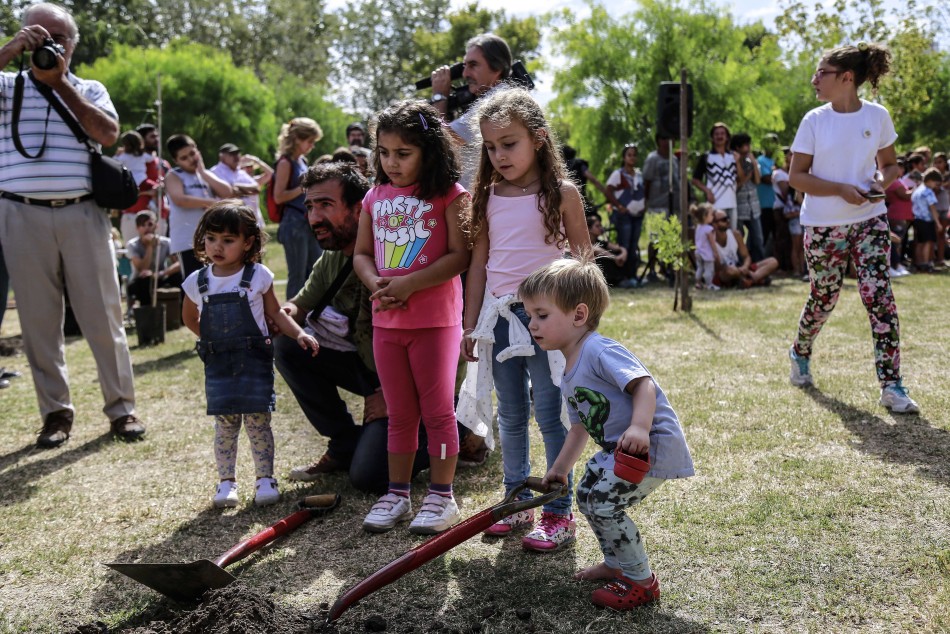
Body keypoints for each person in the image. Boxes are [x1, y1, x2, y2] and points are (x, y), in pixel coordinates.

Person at [0, 2, 146, 446]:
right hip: (20, 213)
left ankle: (122, 411)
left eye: (58, 38)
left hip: (83, 211)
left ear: (73, 45)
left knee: (104, 316)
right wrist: (10, 51)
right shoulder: (7, 85)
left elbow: (107, 134)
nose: (49, 44)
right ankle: (56, 415)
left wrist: (59, 81)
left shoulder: (89, 86)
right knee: (39, 321)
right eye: (39, 35)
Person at [457, 88, 591, 551]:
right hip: (497, 321)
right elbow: (478, 265)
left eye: (508, 143)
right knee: (510, 415)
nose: (499, 155)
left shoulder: (563, 195)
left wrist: (579, 326)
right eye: (490, 147)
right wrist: (470, 324)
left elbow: (584, 263)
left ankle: (558, 510)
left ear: (537, 139)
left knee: (550, 415)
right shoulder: (485, 197)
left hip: (548, 324)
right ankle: (516, 502)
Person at [519, 257, 693, 610]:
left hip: (647, 446)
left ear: (578, 315)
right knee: (586, 494)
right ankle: (616, 563)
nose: (531, 324)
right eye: (529, 315)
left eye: (541, 314)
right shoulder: (568, 372)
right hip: (617, 449)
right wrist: (561, 468)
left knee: (604, 503)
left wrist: (640, 427)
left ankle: (641, 581)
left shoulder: (599, 350)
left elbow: (643, 385)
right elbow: (580, 427)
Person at [273, 162, 431, 493]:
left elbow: (439, 340)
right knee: (288, 345)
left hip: (424, 381)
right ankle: (345, 444)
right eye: (310, 206)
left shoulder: (398, 248)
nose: (314, 218)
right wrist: (279, 313)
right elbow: (300, 307)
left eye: (326, 205)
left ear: (359, 208)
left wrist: (393, 395)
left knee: (369, 476)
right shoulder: (334, 255)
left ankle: (460, 431)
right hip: (370, 367)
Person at [353, 101, 470, 534]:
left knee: (438, 411)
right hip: (387, 322)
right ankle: (397, 493)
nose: (391, 162)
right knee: (400, 413)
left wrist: (411, 284)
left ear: (428, 150)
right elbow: (363, 254)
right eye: (384, 152)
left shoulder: (450, 195)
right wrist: (377, 284)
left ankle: (442, 496)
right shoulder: (373, 197)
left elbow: (460, 256)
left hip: (436, 322)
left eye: (403, 153)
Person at [787, 41, 919, 414]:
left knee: (880, 299)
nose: (815, 79)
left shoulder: (877, 117)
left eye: (821, 73)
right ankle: (800, 351)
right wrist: (840, 190)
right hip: (823, 225)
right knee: (824, 298)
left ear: (846, 78)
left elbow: (891, 165)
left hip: (869, 221)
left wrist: (880, 180)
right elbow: (798, 177)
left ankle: (892, 386)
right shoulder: (814, 120)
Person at [182, 201, 319, 508]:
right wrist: (211, 341)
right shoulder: (197, 282)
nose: (218, 246)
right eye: (212, 238)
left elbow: (276, 313)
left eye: (228, 240)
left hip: (254, 361)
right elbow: (189, 318)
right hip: (219, 364)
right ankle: (226, 482)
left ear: (247, 243)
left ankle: (265, 478)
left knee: (259, 422)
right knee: (226, 425)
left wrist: (299, 333)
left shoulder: (258, 276)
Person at [430, 32, 511, 190]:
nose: (465, 74)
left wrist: (439, 95)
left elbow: (441, 138)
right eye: (464, 66)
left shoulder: (496, 100)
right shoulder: (503, 95)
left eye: (473, 65)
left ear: (497, 68)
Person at [165, 134, 235, 278]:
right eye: (184, 158)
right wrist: (212, 203)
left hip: (211, 240)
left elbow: (227, 192)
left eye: (192, 153)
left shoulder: (205, 175)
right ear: (176, 161)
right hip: (188, 242)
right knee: (194, 286)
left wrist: (203, 172)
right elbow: (180, 199)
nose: (191, 159)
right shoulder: (174, 175)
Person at [273, 117, 324, 299]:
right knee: (297, 276)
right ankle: (293, 319)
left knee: (315, 271)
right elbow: (279, 197)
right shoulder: (286, 162)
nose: (312, 146)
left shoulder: (301, 160)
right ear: (297, 139)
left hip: (306, 222)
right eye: (309, 141)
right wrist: (303, 186)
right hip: (293, 224)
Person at [606, 144, 645, 282]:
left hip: (638, 215)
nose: (632, 157)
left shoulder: (639, 175)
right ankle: (623, 276)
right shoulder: (618, 174)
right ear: (624, 157)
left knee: (634, 244)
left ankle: (632, 275)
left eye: (634, 155)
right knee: (625, 244)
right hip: (624, 215)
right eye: (629, 155)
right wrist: (618, 206)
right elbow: (608, 190)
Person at [711, 209, 779, 288]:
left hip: (740, 268)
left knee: (773, 261)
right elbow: (717, 267)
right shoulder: (710, 239)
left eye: (728, 218)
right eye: (724, 220)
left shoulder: (735, 234)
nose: (728, 221)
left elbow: (746, 256)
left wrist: (745, 267)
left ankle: (751, 280)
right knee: (730, 271)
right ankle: (755, 280)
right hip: (725, 272)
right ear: (714, 224)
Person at [126, 210, 181, 307]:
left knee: (178, 276)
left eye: (150, 224)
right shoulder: (132, 245)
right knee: (145, 281)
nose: (146, 228)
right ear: (137, 228)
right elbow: (142, 268)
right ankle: (148, 314)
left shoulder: (166, 242)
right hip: (140, 280)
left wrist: (161, 273)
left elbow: (178, 264)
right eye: (142, 225)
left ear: (156, 226)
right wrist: (150, 247)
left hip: (160, 276)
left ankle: (177, 312)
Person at [692, 122, 739, 230]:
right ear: (712, 138)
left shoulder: (733, 156)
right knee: (716, 235)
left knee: (731, 234)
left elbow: (740, 178)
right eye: (716, 134)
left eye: (722, 134)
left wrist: (738, 162)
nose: (719, 136)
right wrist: (707, 191)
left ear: (727, 137)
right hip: (716, 203)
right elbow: (695, 180)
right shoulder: (707, 157)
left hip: (732, 203)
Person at [210, 143, 269, 228]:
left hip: (252, 221)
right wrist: (244, 190)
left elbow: (256, 188)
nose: (236, 156)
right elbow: (228, 193)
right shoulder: (215, 172)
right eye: (232, 154)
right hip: (229, 223)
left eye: (237, 153)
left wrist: (235, 187)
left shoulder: (241, 172)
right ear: (222, 157)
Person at [731, 133, 765, 262]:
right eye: (745, 145)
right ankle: (742, 265)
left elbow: (757, 181)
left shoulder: (750, 162)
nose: (748, 148)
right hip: (739, 207)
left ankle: (760, 264)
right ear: (738, 147)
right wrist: (745, 177)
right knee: (739, 239)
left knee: (758, 238)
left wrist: (755, 164)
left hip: (754, 207)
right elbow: (737, 184)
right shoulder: (732, 163)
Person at [910, 168, 942, 273]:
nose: (935, 186)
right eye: (935, 183)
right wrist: (938, 222)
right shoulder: (928, 192)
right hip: (927, 220)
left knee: (919, 243)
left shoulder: (918, 190)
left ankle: (918, 263)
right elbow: (932, 208)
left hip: (917, 219)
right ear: (930, 180)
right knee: (928, 242)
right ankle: (925, 264)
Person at [587, 214, 627, 287]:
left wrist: (623, 254)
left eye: (600, 226)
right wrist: (615, 258)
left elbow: (620, 248)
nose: (601, 228)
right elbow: (595, 249)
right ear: (589, 229)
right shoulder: (585, 243)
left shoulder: (602, 242)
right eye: (597, 226)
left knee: (617, 252)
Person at [690, 203, 719, 290]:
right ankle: (709, 284)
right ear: (704, 216)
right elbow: (712, 242)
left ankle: (698, 283)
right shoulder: (708, 229)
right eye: (711, 214)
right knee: (709, 269)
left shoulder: (698, 227)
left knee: (700, 268)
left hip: (698, 252)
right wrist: (715, 252)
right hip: (707, 253)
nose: (713, 216)